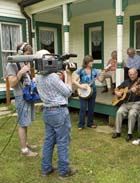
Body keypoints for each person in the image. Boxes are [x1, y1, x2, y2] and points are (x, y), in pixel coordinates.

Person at [36, 50, 77, 178]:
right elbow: (68, 91)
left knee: (48, 141)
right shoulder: (52, 77)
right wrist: (69, 74)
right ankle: (64, 171)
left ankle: (46, 168)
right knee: (62, 141)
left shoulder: (38, 75)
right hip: (59, 110)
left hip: (47, 110)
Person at [6, 42, 38, 157]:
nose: (28, 56)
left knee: (26, 122)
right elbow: (12, 83)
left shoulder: (24, 62)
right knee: (22, 123)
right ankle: (24, 150)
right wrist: (20, 72)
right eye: (27, 53)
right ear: (20, 53)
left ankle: (26, 143)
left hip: (28, 95)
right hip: (20, 97)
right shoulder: (11, 65)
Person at [112, 68, 140, 141]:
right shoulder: (126, 81)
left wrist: (136, 91)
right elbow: (117, 88)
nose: (132, 76)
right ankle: (118, 132)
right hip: (126, 103)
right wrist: (117, 92)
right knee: (119, 112)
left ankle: (130, 134)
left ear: (136, 74)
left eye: (133, 74)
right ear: (128, 74)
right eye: (130, 74)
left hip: (137, 103)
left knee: (132, 114)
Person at [73, 55, 102, 130]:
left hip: (92, 92)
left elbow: (101, 80)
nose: (92, 62)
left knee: (91, 108)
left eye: (92, 61)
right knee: (83, 108)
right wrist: (80, 86)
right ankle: (81, 124)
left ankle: (90, 123)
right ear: (86, 62)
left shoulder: (95, 71)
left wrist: (103, 74)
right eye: (90, 61)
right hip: (82, 92)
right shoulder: (81, 70)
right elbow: (73, 81)